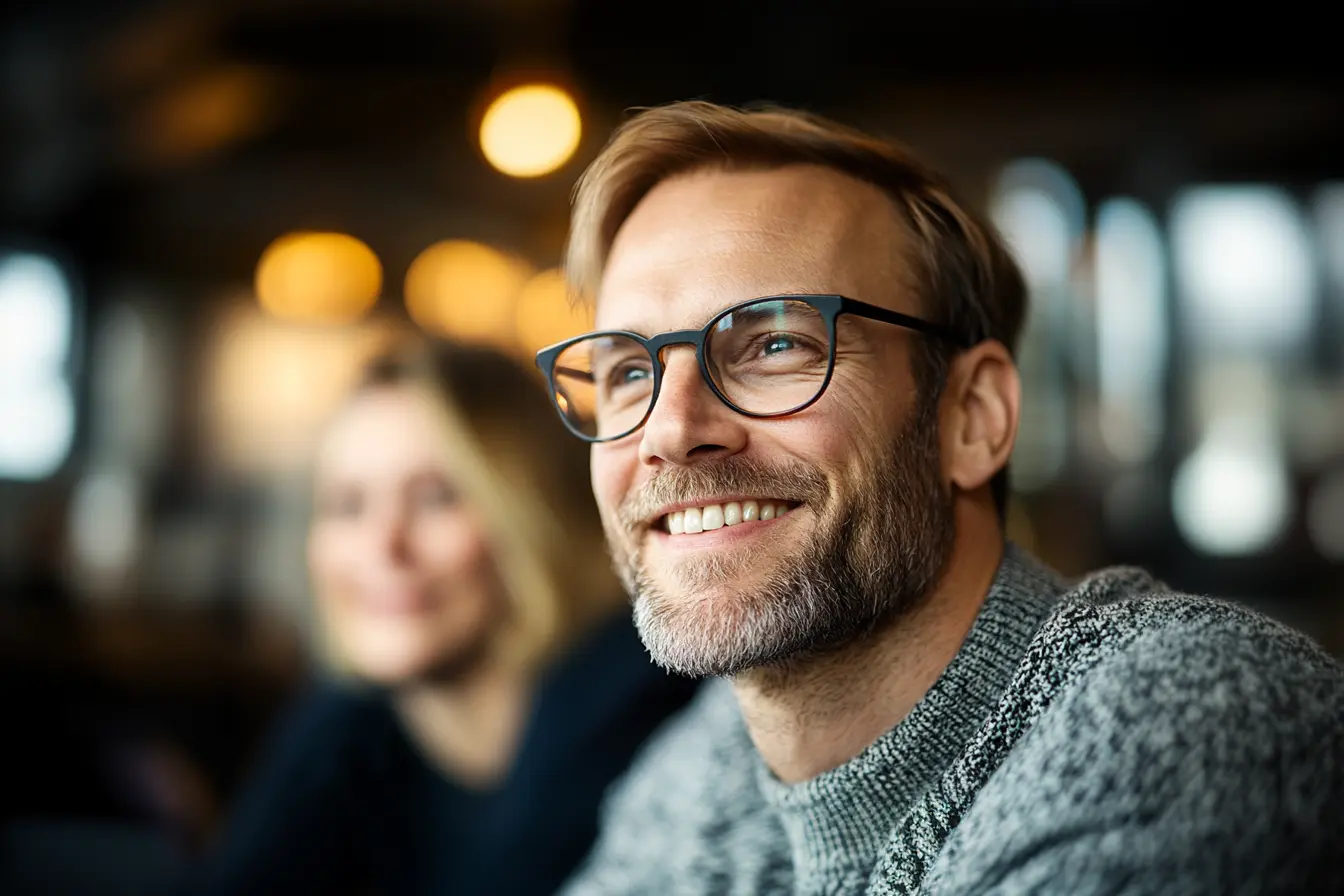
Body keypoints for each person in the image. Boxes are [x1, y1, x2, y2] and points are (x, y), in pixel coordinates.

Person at [530, 101, 1344, 895]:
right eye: (629, 372)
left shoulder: (1191, 717)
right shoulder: (709, 766)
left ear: (972, 417)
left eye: (775, 343)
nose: (669, 431)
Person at [190, 339, 699, 896]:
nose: (383, 547)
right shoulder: (346, 723)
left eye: (435, 498)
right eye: (348, 505)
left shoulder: (632, 697)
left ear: (532, 515)